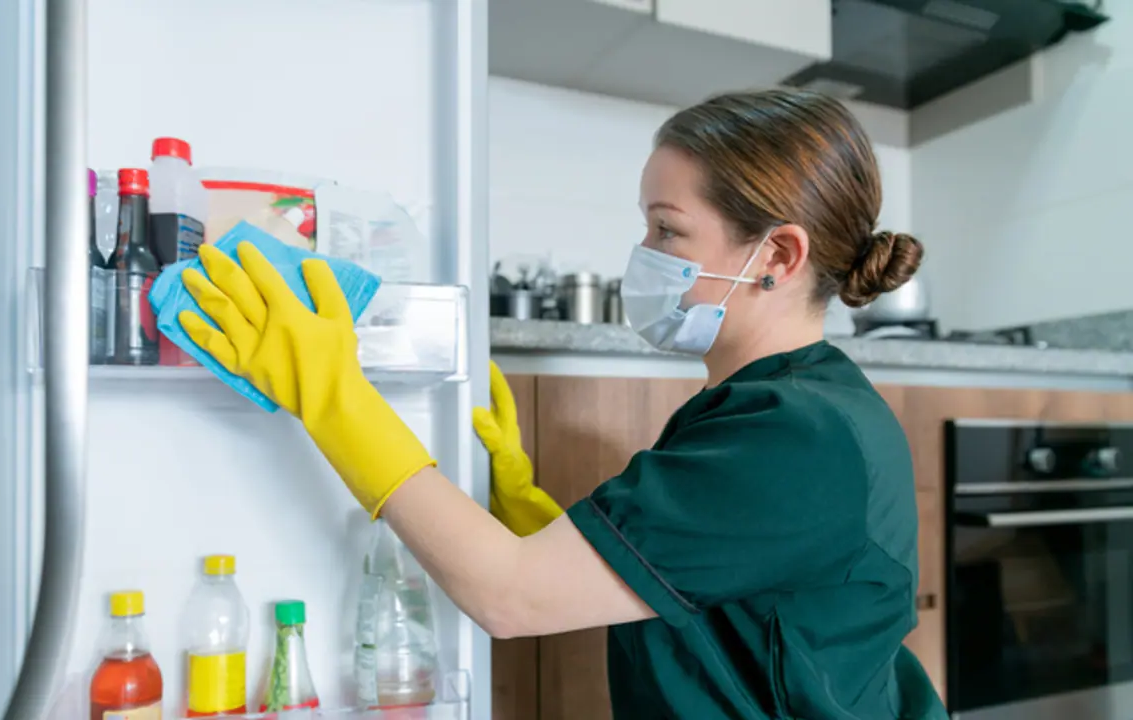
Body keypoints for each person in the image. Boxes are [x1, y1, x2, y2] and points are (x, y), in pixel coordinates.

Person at [177, 88, 948, 719]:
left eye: (667, 230)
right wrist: (538, 519)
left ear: (777, 255)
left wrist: (332, 396)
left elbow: (510, 598)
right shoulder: (776, 405)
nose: (644, 256)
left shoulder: (795, 435)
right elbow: (698, 593)